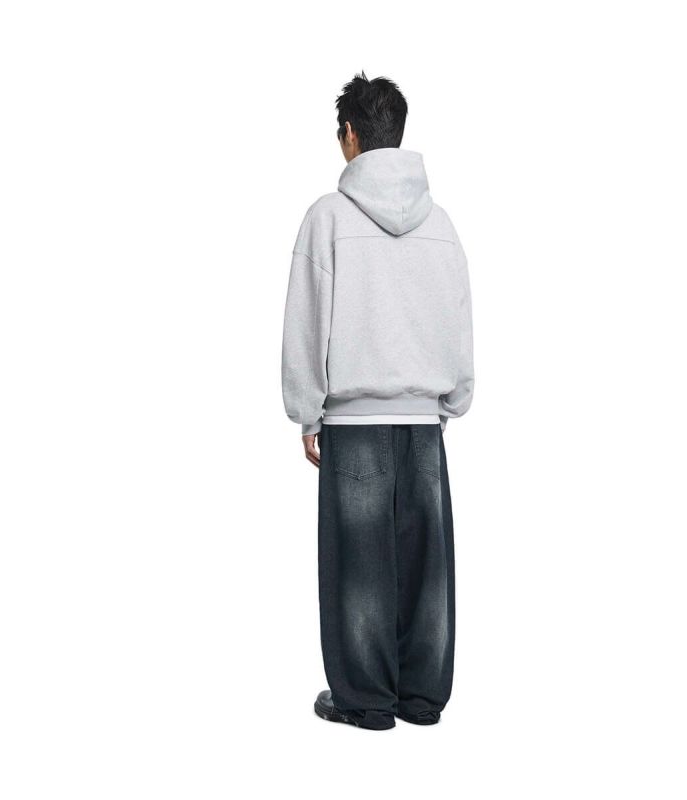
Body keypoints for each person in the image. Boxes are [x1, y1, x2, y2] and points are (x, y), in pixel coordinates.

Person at [281, 72, 475, 730]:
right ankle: (421, 696)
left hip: (355, 421)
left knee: (358, 568)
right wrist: (452, 400)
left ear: (350, 134)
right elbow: (458, 318)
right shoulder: (441, 223)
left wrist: (307, 410)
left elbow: (307, 320)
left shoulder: (327, 217)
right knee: (427, 570)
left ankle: (366, 700)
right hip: (423, 420)